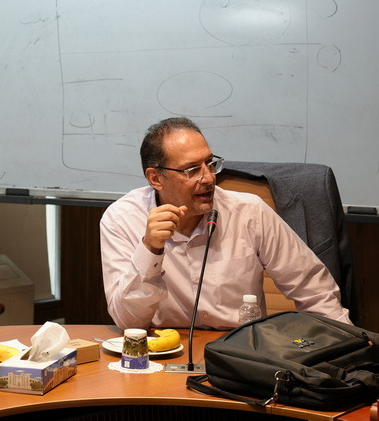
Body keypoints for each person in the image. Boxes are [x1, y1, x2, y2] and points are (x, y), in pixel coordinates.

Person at [100, 117, 350, 330]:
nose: (209, 178)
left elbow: (314, 290)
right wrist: (150, 249)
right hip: (164, 353)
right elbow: (128, 321)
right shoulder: (122, 219)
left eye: (210, 164)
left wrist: (349, 347)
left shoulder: (249, 212)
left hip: (239, 350)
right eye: (192, 170)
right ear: (156, 178)